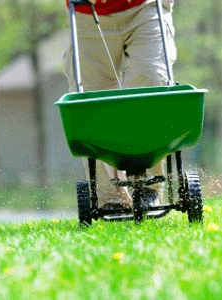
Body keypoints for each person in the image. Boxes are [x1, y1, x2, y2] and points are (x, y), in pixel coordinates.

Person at [64, 0, 177, 209]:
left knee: (150, 79)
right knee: (91, 101)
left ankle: (148, 186)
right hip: (86, 11)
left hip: (145, 7)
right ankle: (111, 198)